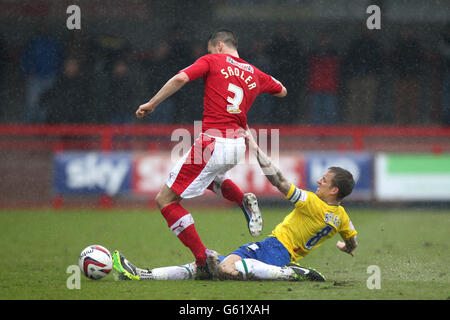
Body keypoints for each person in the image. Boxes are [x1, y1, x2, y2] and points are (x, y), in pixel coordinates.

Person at [113, 127, 358, 282]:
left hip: (278, 250)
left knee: (225, 270)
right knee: (210, 267)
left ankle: (291, 273)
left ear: (334, 190)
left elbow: (280, 181)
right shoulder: (342, 217)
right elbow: (352, 239)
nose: (318, 181)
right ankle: (144, 275)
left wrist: (254, 146)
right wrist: (346, 245)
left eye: (324, 181)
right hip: (273, 247)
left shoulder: (314, 204)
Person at [134, 29, 287, 277]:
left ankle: (202, 259)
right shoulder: (254, 72)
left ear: (218, 46)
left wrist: (152, 103)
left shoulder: (212, 60)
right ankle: (242, 201)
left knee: (165, 200)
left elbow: (181, 78)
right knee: (209, 177)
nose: (207, 54)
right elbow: (282, 90)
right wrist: (255, 83)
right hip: (237, 146)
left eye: (209, 50)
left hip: (213, 142)